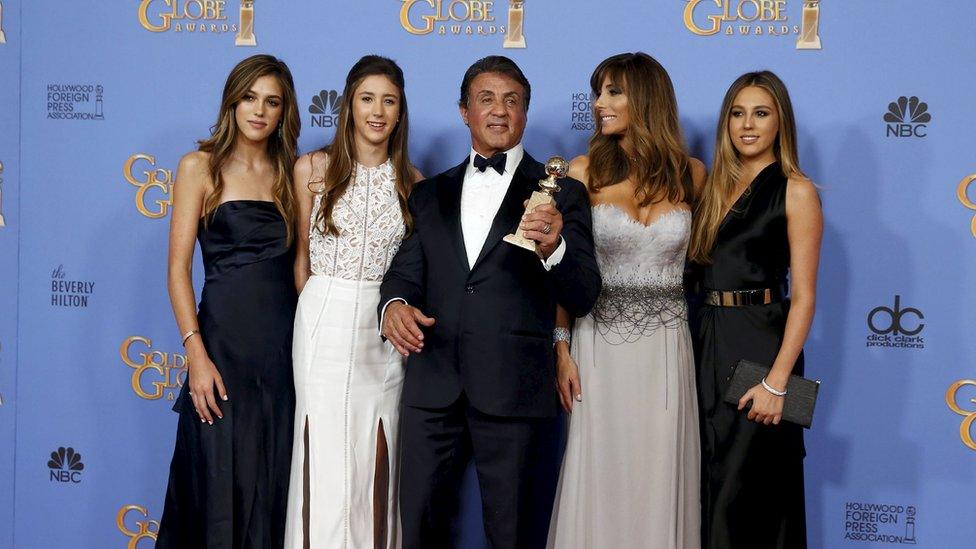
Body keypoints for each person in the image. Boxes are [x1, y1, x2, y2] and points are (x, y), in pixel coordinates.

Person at [379, 55, 601, 549]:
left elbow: (584, 294)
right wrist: (393, 304)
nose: (499, 111)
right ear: (464, 111)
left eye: (512, 101)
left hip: (515, 389)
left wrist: (554, 249)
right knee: (419, 529)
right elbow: (404, 274)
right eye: (486, 99)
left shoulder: (563, 192)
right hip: (432, 385)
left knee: (514, 534)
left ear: (525, 112)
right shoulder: (428, 194)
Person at [547, 52, 706, 549]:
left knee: (659, 473)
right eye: (599, 92)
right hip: (599, 348)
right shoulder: (582, 171)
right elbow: (566, 268)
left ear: (646, 98)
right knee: (602, 471)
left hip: (665, 350)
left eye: (613, 91)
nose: (599, 104)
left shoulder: (693, 175)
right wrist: (561, 345)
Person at [157, 54, 301, 549]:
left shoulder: (291, 174)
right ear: (232, 101)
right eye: (249, 97)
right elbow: (177, 271)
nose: (259, 110)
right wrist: (196, 355)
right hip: (220, 351)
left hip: (283, 354)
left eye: (272, 101)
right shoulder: (198, 167)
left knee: (273, 485)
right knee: (216, 485)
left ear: (284, 112)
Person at [283, 54, 422, 549]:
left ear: (401, 112)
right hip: (321, 314)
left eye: (389, 101)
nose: (377, 111)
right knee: (319, 444)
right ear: (349, 107)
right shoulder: (312, 169)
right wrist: (318, 307)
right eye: (367, 99)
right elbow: (301, 260)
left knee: (374, 450)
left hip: (382, 327)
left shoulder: (414, 184)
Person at [688, 71, 822, 549]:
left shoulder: (796, 189)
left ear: (780, 121)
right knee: (705, 482)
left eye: (761, 113)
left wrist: (777, 381)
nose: (747, 125)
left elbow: (803, 295)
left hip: (760, 346)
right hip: (704, 339)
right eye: (737, 113)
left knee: (749, 490)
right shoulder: (709, 186)